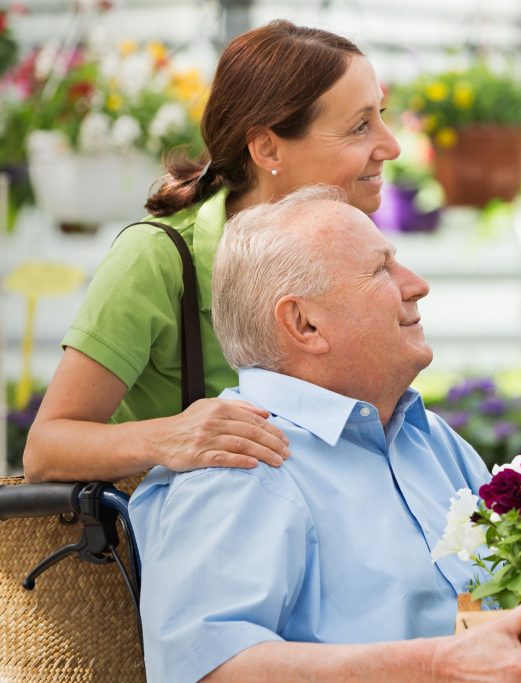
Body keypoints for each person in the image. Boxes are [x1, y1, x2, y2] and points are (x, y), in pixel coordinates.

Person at [129, 186, 521, 683]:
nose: (417, 285)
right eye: (382, 269)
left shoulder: (431, 439)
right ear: (304, 323)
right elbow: (210, 670)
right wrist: (434, 667)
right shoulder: (240, 458)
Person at [24, 20, 401, 482]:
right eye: (360, 126)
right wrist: (166, 437)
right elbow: (45, 449)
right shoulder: (158, 258)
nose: (392, 145)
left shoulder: (354, 245)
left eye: (382, 115)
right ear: (267, 149)